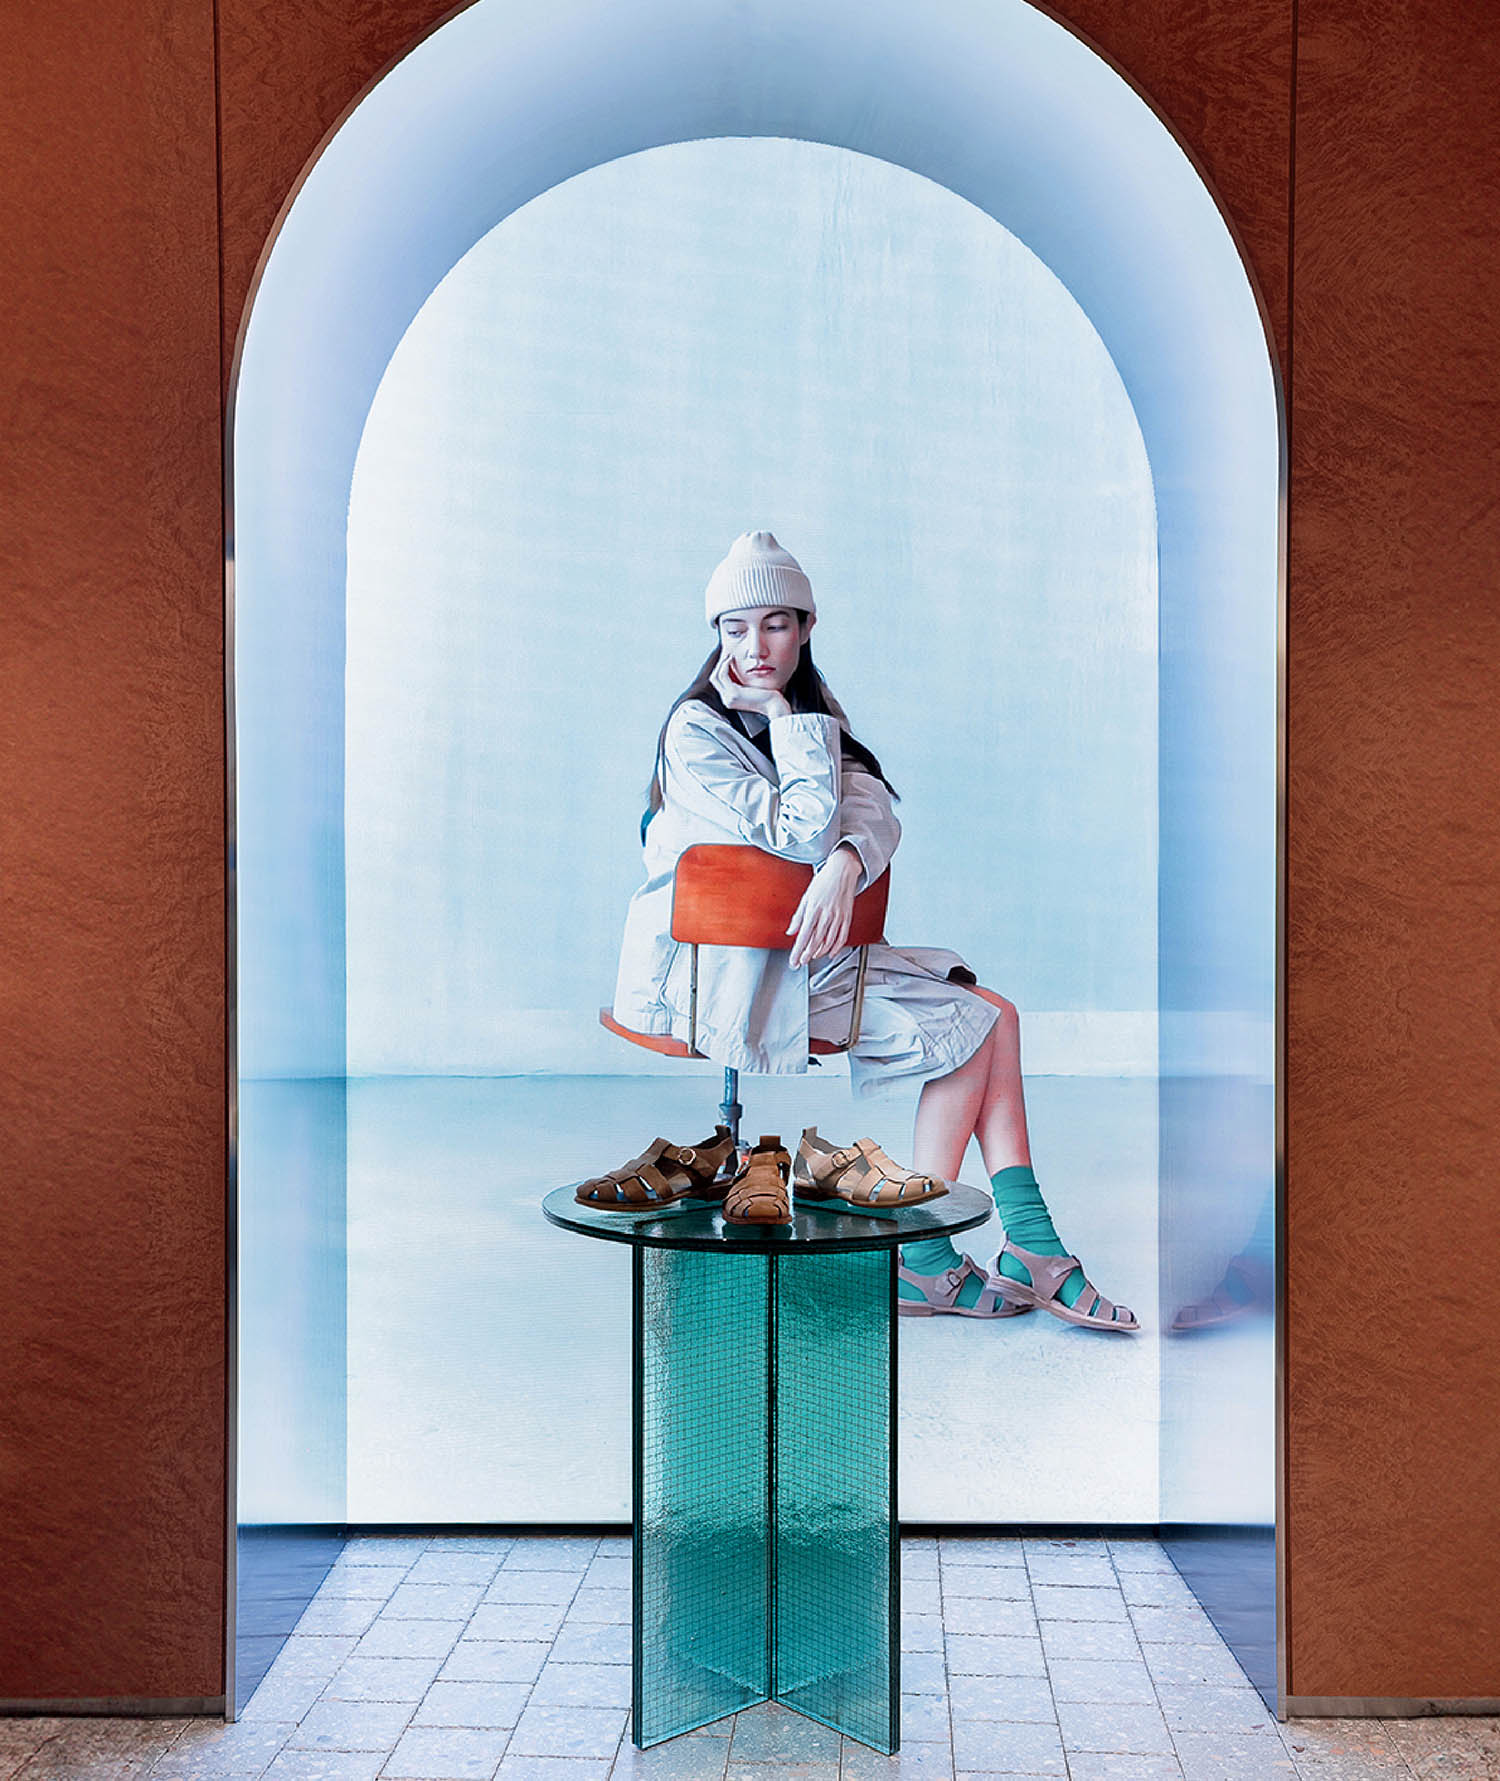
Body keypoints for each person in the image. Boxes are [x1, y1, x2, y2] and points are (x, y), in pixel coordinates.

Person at [611, 531, 1138, 1332]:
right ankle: (935, 1252)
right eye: (735, 628)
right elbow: (796, 829)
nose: (755, 648)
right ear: (715, 635)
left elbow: (872, 811)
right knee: (976, 1024)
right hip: (716, 976)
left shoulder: (820, 718)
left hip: (804, 958)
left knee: (997, 1015)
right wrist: (784, 719)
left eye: (776, 624)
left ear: (806, 627)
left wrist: (848, 861)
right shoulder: (696, 730)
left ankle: (1021, 1242)